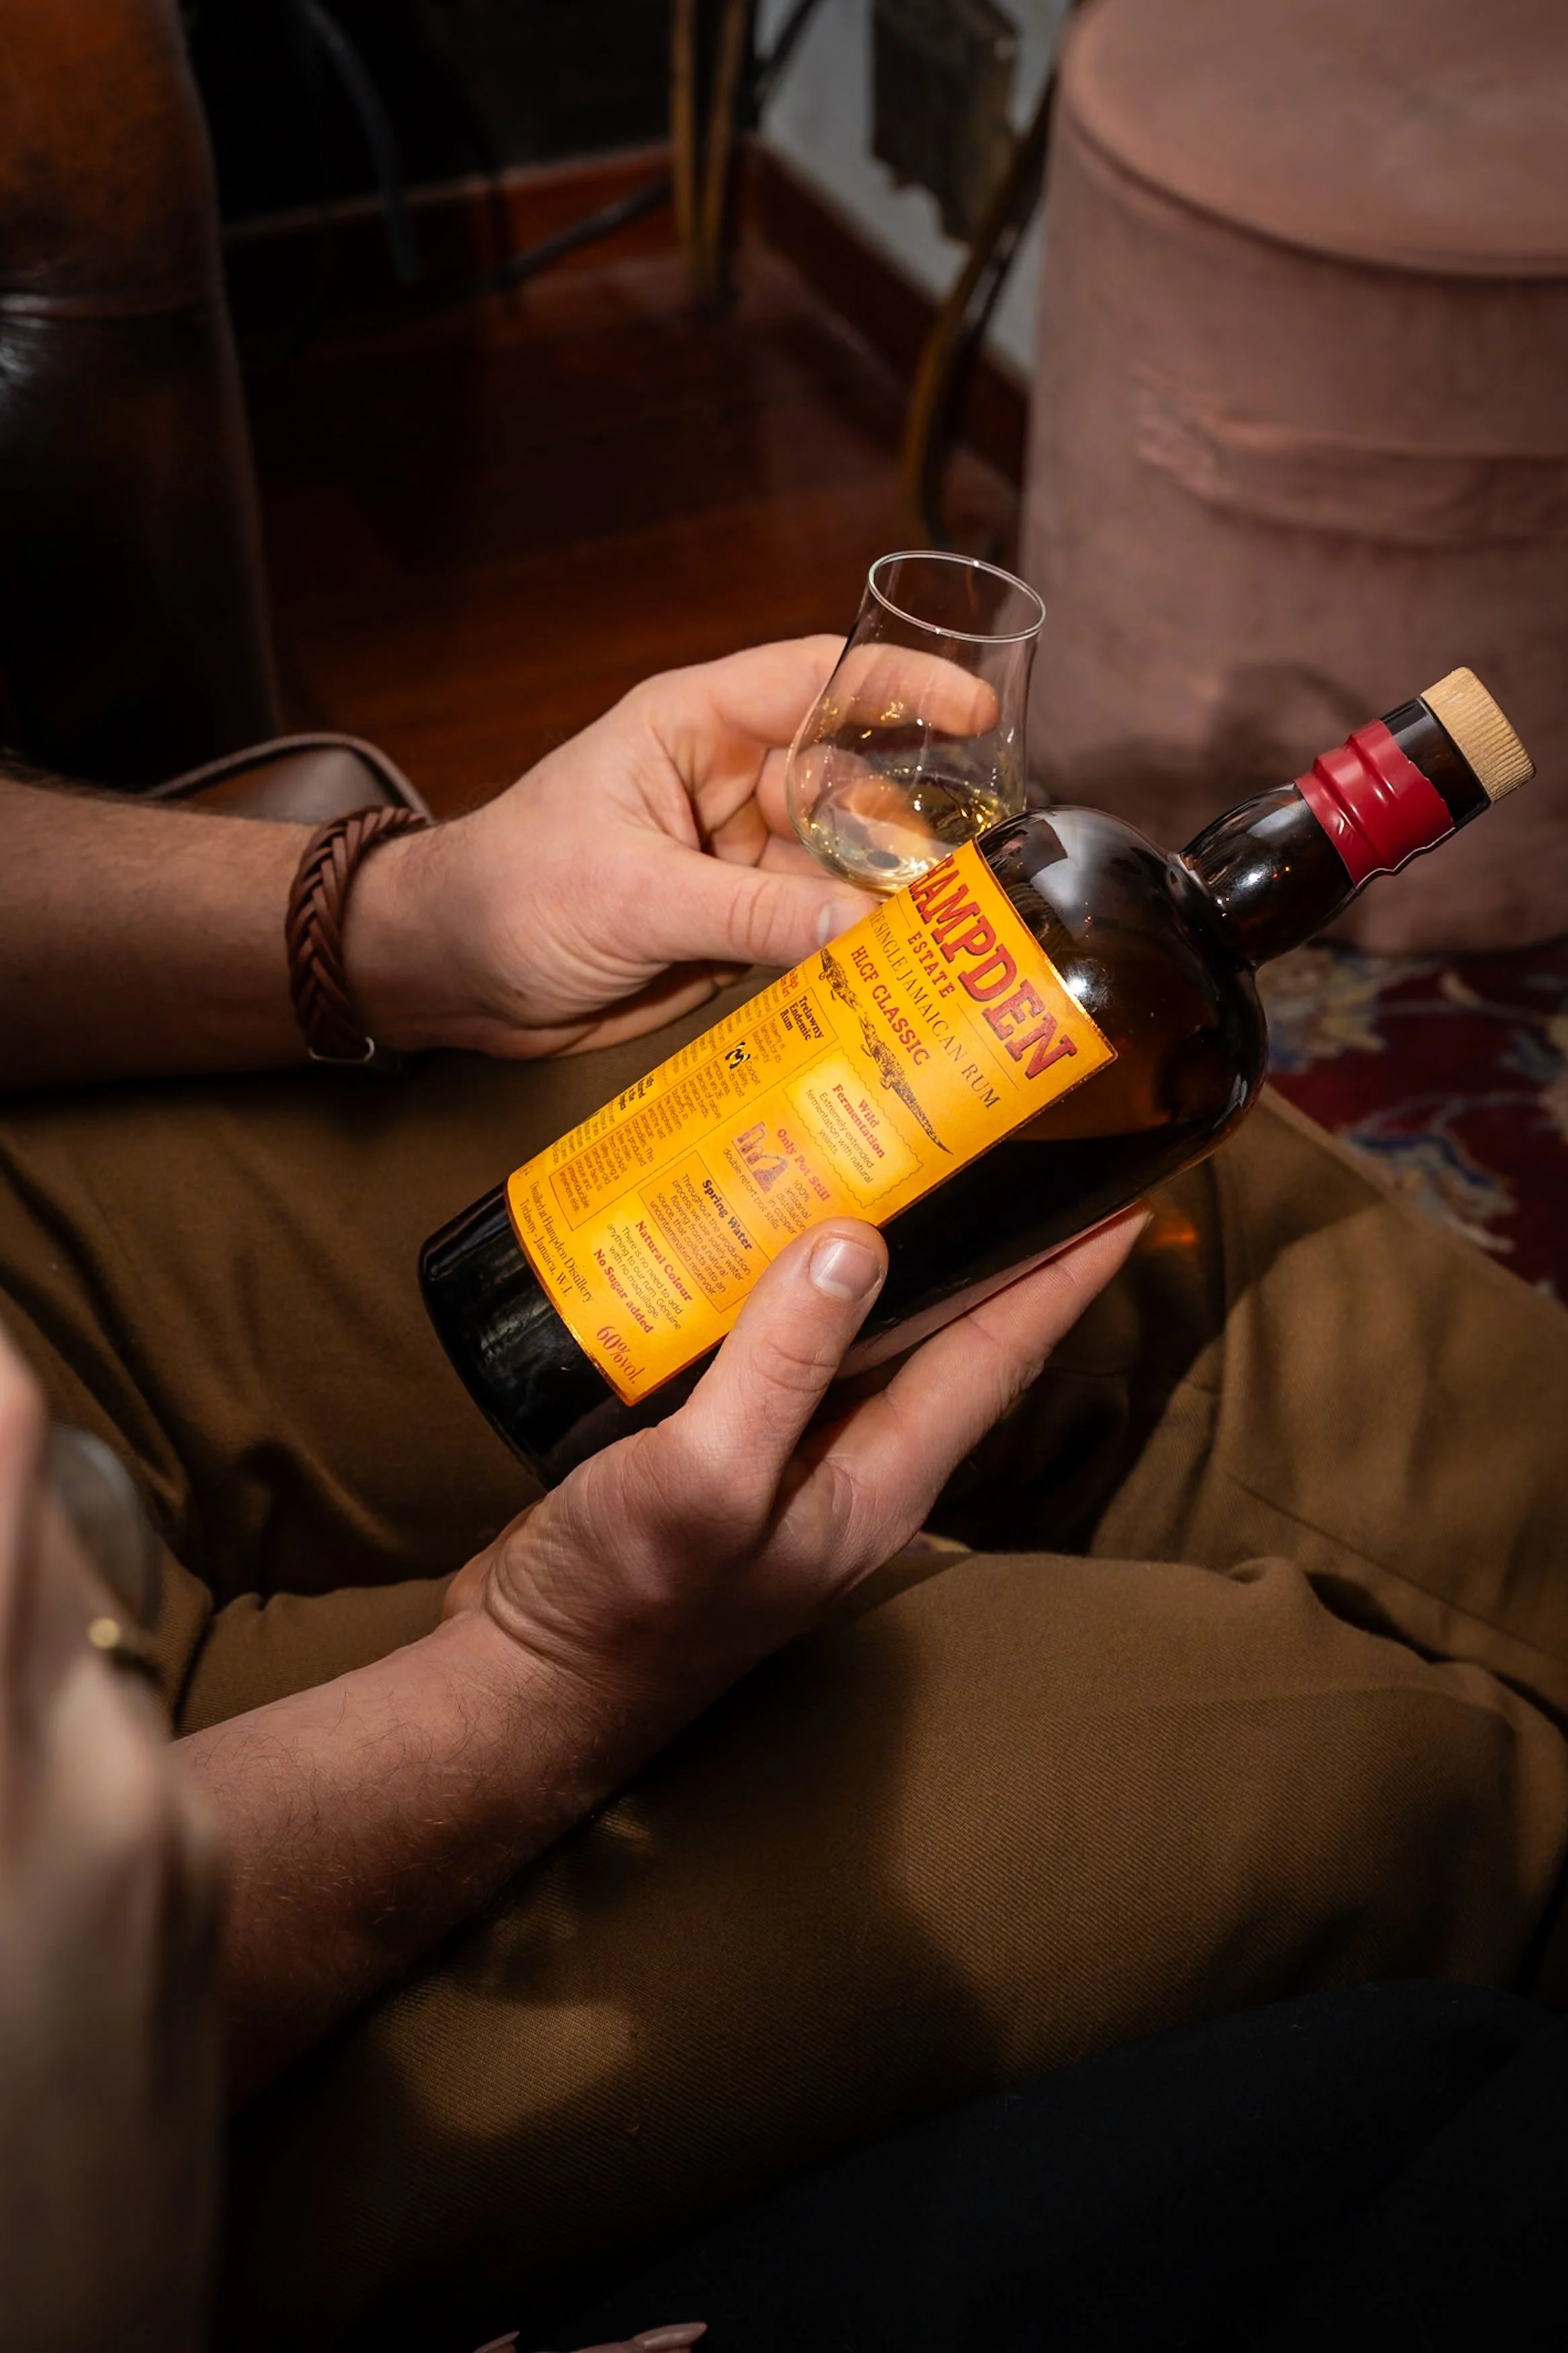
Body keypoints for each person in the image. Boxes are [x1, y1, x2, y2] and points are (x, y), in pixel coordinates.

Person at [1, 637, 1565, 2348]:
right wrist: (540, 1683)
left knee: (1103, 1131)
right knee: (1360, 1776)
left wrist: (397, 920)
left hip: (40, 1271)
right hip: (110, 2025)